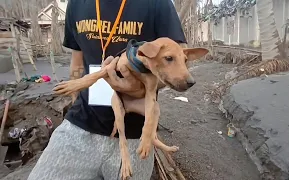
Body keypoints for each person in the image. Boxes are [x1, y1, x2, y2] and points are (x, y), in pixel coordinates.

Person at [28, 0, 186, 179]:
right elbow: (77, 61)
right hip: (80, 125)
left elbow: (177, 67)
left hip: (134, 134)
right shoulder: (76, 4)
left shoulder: (158, 3)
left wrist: (138, 90)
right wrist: (74, 99)